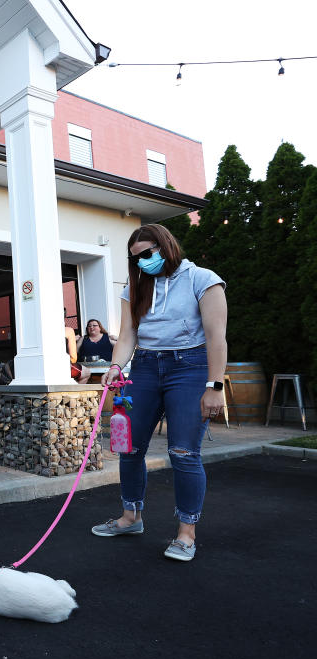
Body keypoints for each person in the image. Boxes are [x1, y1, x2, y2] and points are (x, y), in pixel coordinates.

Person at [94, 223, 227, 562]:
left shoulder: (203, 279)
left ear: (166, 247)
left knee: (183, 452)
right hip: (145, 368)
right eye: (136, 258)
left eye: (148, 254)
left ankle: (186, 532)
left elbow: (216, 337)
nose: (142, 262)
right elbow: (127, 336)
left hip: (191, 366)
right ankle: (130, 517)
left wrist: (214, 386)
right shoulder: (135, 287)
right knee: (129, 446)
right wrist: (115, 366)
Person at [64, 315, 90, 384]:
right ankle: (74, 394)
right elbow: (73, 358)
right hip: (62, 366)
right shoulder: (68, 330)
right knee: (86, 372)